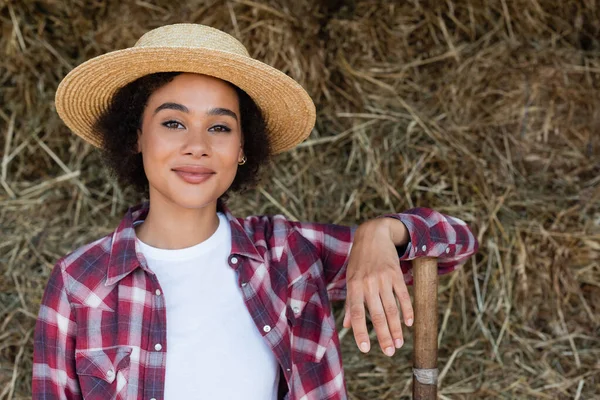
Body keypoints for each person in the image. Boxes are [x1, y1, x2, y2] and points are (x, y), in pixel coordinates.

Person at [32, 23, 478, 400]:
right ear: (136, 137)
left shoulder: (289, 256)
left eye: (220, 127)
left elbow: (455, 244)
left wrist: (383, 232)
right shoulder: (79, 285)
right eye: (173, 122)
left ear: (243, 148)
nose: (198, 146)